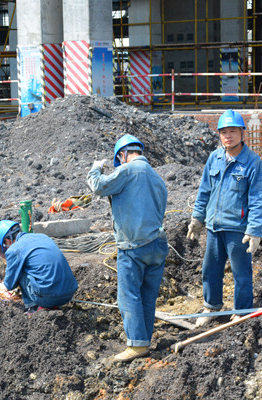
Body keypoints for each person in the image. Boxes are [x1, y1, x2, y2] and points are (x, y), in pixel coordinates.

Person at [87, 134, 168, 362]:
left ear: (122, 154)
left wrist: (95, 169)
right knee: (147, 297)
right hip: (157, 244)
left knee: (128, 296)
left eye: (119, 159)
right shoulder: (156, 177)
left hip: (133, 246)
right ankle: (144, 341)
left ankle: (136, 345)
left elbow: (98, 187)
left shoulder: (127, 170)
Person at [187, 109, 262, 327]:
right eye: (223, 132)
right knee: (210, 268)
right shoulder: (215, 158)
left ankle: (242, 311)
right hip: (214, 227)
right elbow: (204, 191)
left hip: (238, 229)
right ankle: (211, 307)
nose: (227, 136)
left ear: (242, 133)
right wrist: (197, 218)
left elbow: (257, 199)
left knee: (241, 272)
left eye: (232, 131)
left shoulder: (252, 163)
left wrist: (254, 230)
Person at [0, 220, 78, 313]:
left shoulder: (14, 249)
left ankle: (34, 308)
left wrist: (3, 287)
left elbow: (10, 284)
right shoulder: (43, 237)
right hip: (68, 294)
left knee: (21, 271)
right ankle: (53, 305)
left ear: (7, 240)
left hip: (47, 297)